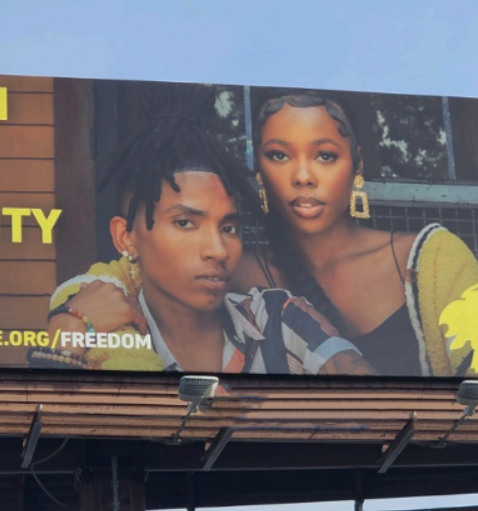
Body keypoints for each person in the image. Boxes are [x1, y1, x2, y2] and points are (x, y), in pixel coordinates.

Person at [29, 96, 374, 376]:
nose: (217, 250)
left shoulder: (278, 319)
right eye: (185, 223)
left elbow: (379, 404)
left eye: (229, 228)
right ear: (125, 237)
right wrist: (70, 332)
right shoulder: (101, 327)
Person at [233, 93, 478, 377]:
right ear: (259, 171)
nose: (302, 176)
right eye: (279, 155)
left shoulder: (432, 260)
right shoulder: (236, 275)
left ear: (357, 164)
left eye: (325, 156)